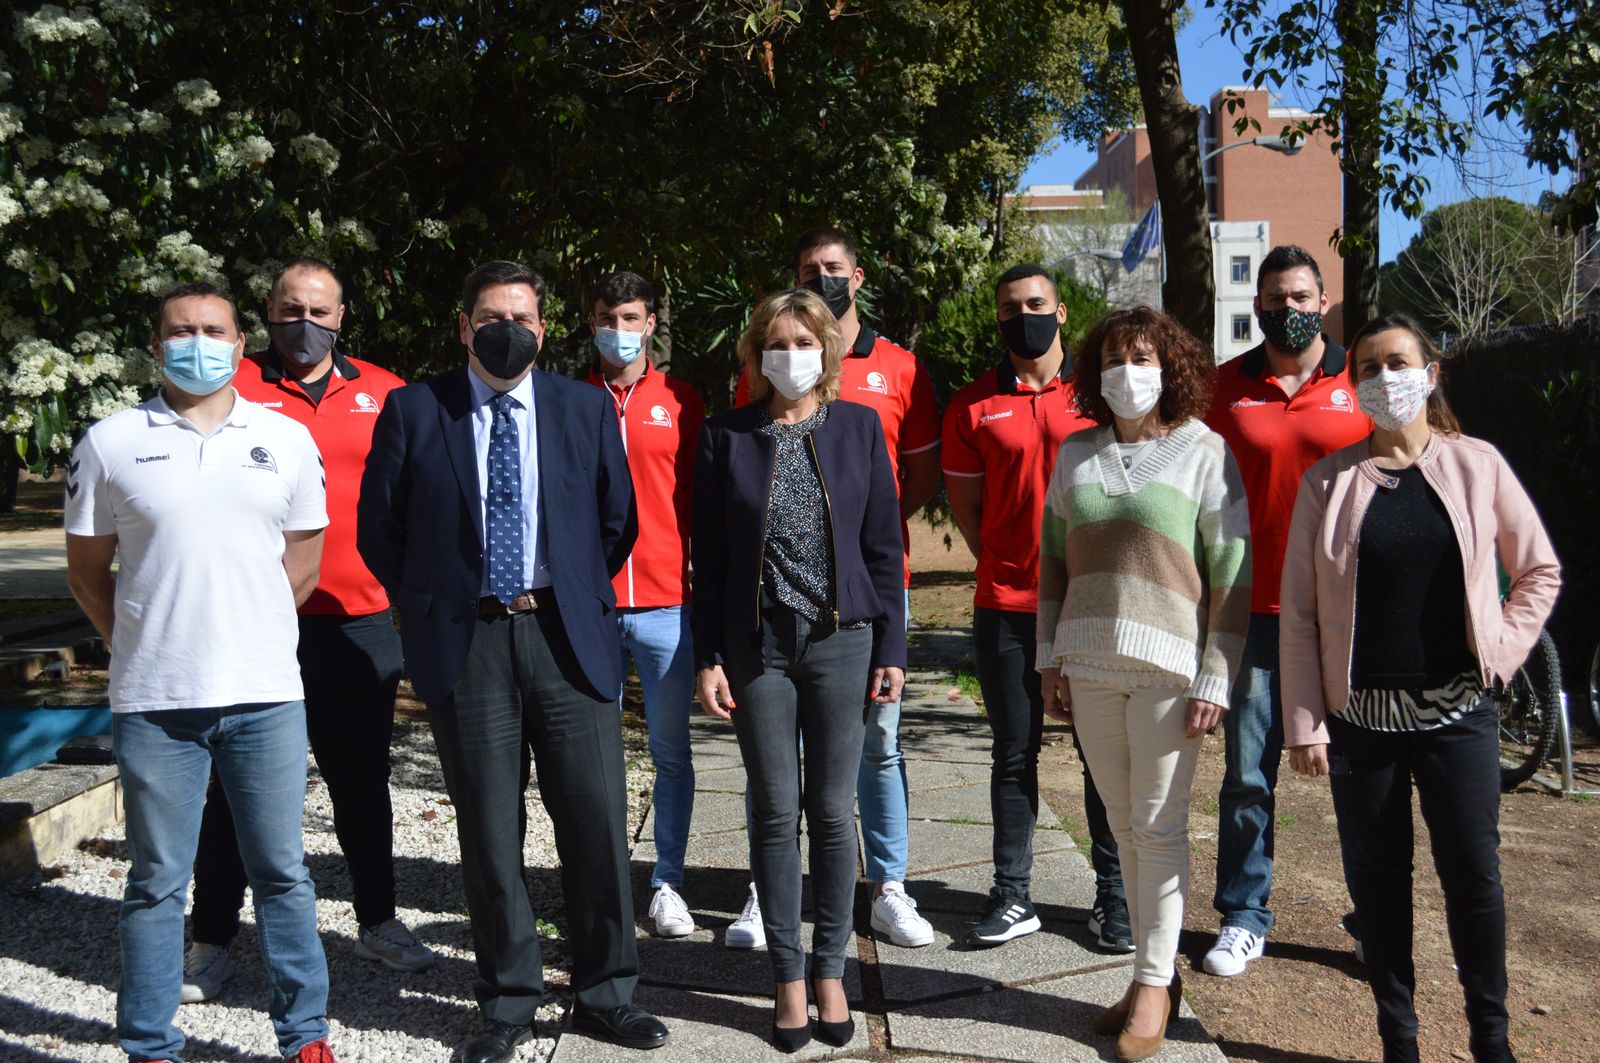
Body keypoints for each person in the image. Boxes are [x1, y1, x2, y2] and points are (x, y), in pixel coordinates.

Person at [357, 260, 668, 1062]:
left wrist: (562, 587)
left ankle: (606, 991)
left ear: (543, 327)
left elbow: (615, 522)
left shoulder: (580, 407)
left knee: (596, 821)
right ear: (464, 326)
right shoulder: (414, 409)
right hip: (468, 642)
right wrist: (436, 602)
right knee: (491, 833)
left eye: (523, 318)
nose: (508, 329)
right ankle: (509, 999)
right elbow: (379, 532)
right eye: (491, 316)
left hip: (564, 632)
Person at [65, 281, 336, 1063]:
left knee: (283, 871)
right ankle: (150, 1043)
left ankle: (304, 1037)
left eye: (212, 328)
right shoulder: (110, 441)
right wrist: (144, 642)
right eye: (179, 330)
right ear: (154, 346)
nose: (197, 341)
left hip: (266, 699)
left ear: (240, 345)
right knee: (155, 882)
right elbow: (88, 573)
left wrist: (237, 632)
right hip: (155, 703)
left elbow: (303, 567)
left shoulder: (285, 439)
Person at [1281, 314, 1560, 1063]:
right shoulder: (1328, 482)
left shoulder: (1479, 465)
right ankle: (1397, 1040)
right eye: (1366, 368)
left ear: (1430, 372)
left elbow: (1539, 570)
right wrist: (1305, 722)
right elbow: (1300, 612)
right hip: (1361, 724)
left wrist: (1500, 649)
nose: (1382, 379)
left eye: (1397, 362)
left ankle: (1491, 1042)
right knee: (1380, 889)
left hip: (1459, 715)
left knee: (1474, 880)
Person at [182, 257, 430, 1005]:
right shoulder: (230, 387)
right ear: (267, 311)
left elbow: (416, 501)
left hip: (360, 620)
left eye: (320, 312)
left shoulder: (387, 392)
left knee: (361, 780)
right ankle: (212, 935)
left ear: (343, 316)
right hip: (255, 621)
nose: (306, 324)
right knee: (232, 783)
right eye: (292, 310)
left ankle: (379, 918)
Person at [692, 288, 906, 1052]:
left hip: (843, 641)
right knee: (776, 810)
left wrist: (892, 649)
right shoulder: (724, 437)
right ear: (755, 354)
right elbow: (709, 561)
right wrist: (709, 654)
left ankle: (830, 969)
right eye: (776, 342)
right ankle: (786, 974)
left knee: (832, 806)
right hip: (758, 648)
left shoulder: (859, 428)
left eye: (804, 340)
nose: (791, 355)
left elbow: (885, 547)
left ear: (827, 349)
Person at [1037, 306, 1251, 1062]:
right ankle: (1145, 975)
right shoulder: (1075, 454)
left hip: (1170, 669)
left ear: (1171, 368)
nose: (1128, 372)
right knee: (1123, 825)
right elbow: (1053, 564)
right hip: (1089, 663)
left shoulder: (1204, 453)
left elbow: (1230, 573)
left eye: (1143, 357)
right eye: (1114, 359)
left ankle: (1155, 984)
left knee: (1157, 827)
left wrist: (1217, 673)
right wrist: (1048, 658)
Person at [727, 226, 941, 951]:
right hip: (767, 621)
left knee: (873, 748)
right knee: (772, 763)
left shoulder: (896, 370)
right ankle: (768, 889)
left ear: (859, 274)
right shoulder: (742, 409)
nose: (824, 277)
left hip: (864, 600)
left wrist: (856, 564)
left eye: (834, 268)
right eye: (810, 269)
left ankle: (888, 885)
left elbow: (903, 492)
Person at [941, 264, 1129, 950]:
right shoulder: (971, 405)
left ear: (1061, 309)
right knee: (1013, 751)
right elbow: (969, 508)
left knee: (1100, 753)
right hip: (1008, 605)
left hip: (1094, 606)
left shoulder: (1101, 395)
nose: (1024, 316)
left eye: (1035, 303)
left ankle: (1114, 897)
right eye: (1010, 308)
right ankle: (1013, 894)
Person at [1201, 244, 1369, 977]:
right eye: (1275, 298)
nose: (1288, 310)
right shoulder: (1225, 386)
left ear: (1324, 299)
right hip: (1256, 608)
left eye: (1301, 297)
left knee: (1364, 775)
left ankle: (1376, 917)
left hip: (1349, 614)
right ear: (1257, 305)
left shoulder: (1361, 380)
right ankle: (1243, 913)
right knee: (1247, 773)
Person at [581, 271, 706, 938]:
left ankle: (668, 882)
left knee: (671, 752)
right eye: (608, 316)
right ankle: (599, 886)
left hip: (667, 605)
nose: (620, 329)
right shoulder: (568, 399)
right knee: (592, 754)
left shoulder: (682, 400)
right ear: (591, 321)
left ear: (652, 322)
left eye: (631, 316)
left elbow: (701, 499)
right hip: (591, 607)